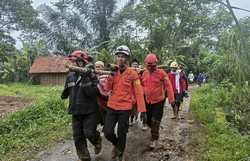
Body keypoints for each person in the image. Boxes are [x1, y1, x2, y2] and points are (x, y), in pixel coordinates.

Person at [103, 45, 146, 161]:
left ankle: (120, 153)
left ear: (127, 59)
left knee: (122, 132)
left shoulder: (132, 74)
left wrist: (142, 110)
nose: (120, 59)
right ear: (116, 58)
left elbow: (138, 92)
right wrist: (111, 76)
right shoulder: (113, 72)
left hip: (125, 108)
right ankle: (117, 145)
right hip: (112, 106)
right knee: (107, 132)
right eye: (119, 56)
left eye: (123, 57)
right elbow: (107, 88)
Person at [61, 50, 102, 161]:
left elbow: (91, 93)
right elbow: (67, 90)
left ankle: (97, 141)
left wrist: (85, 77)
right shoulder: (70, 76)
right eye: (72, 62)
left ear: (81, 62)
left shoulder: (92, 75)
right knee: (78, 137)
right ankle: (85, 158)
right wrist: (64, 94)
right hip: (75, 111)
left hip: (90, 111)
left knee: (89, 132)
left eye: (74, 61)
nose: (72, 64)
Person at [141, 53, 175, 148]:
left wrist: (171, 99)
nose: (151, 67)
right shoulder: (144, 73)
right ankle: (154, 129)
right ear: (146, 64)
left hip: (159, 101)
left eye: (153, 65)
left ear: (156, 64)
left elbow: (168, 86)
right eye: (149, 65)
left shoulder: (161, 73)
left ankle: (154, 138)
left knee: (155, 121)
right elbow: (140, 85)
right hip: (148, 101)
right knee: (148, 121)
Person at [94, 61, 109, 128]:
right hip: (95, 101)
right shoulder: (93, 76)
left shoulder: (106, 77)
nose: (97, 68)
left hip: (104, 100)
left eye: (99, 67)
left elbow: (107, 89)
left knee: (105, 115)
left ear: (103, 68)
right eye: (96, 67)